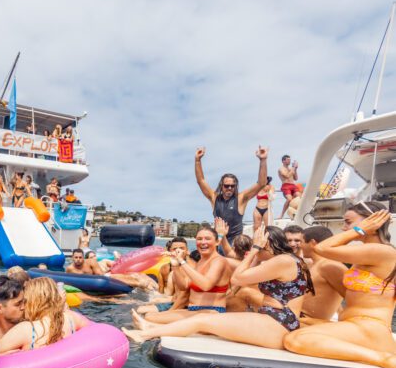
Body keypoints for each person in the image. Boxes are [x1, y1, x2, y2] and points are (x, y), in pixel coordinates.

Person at [123, 225, 314, 348]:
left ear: (268, 244)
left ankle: (145, 334)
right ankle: (150, 326)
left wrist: (255, 249)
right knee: (203, 321)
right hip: (273, 319)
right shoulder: (285, 260)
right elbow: (243, 274)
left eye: (259, 246)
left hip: (279, 323)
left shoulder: (283, 260)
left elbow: (239, 278)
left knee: (203, 321)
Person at [284, 203, 396, 368]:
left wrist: (359, 229)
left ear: (372, 223)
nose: (344, 228)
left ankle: (383, 359)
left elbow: (321, 248)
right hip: (356, 326)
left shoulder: (382, 251)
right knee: (295, 322)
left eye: (348, 222)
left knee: (294, 340)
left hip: (370, 329)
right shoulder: (366, 252)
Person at [140, 226, 231, 324]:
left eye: (207, 239)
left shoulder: (219, 261)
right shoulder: (201, 262)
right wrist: (175, 266)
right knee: (148, 315)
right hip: (195, 311)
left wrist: (182, 261)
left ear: (217, 242)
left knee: (150, 318)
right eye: (199, 239)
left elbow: (206, 285)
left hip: (211, 312)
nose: (203, 242)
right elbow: (183, 286)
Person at [194, 145, 268, 241]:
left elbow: (261, 183)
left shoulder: (241, 198)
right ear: (221, 186)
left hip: (235, 243)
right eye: (226, 186)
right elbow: (201, 181)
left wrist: (263, 160)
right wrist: (197, 161)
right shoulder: (214, 197)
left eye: (232, 186)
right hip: (219, 240)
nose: (229, 188)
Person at [0, 277, 87, 353]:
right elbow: (94, 332)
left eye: (25, 300)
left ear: (32, 300)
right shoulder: (71, 318)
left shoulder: (26, 329)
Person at [298, 226, 346, 323]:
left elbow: (352, 297)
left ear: (312, 243)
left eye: (301, 241)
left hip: (307, 321)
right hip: (296, 316)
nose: (299, 245)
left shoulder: (330, 266)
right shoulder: (312, 265)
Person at [278, 154, 300, 218]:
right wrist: (293, 168)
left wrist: (295, 169)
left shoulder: (291, 169)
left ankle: (296, 213)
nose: (289, 161)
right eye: (288, 160)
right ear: (283, 161)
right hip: (286, 185)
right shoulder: (281, 169)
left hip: (293, 185)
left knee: (299, 197)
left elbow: (296, 178)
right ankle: (281, 214)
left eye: (290, 160)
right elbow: (287, 176)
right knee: (289, 199)